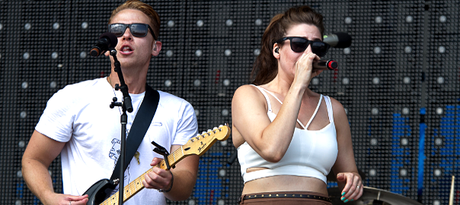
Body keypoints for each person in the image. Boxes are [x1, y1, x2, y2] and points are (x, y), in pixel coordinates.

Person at [21, 0, 199, 204]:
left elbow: (185, 183)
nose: (126, 35)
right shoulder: (72, 97)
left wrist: (169, 182)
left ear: (155, 47)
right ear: (107, 47)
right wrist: (48, 197)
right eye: (117, 29)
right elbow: (33, 160)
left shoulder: (179, 110)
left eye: (139, 30)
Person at [232, 5, 363, 205]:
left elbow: (348, 172)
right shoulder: (249, 95)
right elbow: (272, 150)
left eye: (317, 47)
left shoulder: (333, 108)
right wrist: (299, 85)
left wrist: (353, 180)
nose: (309, 54)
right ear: (277, 49)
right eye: (299, 45)